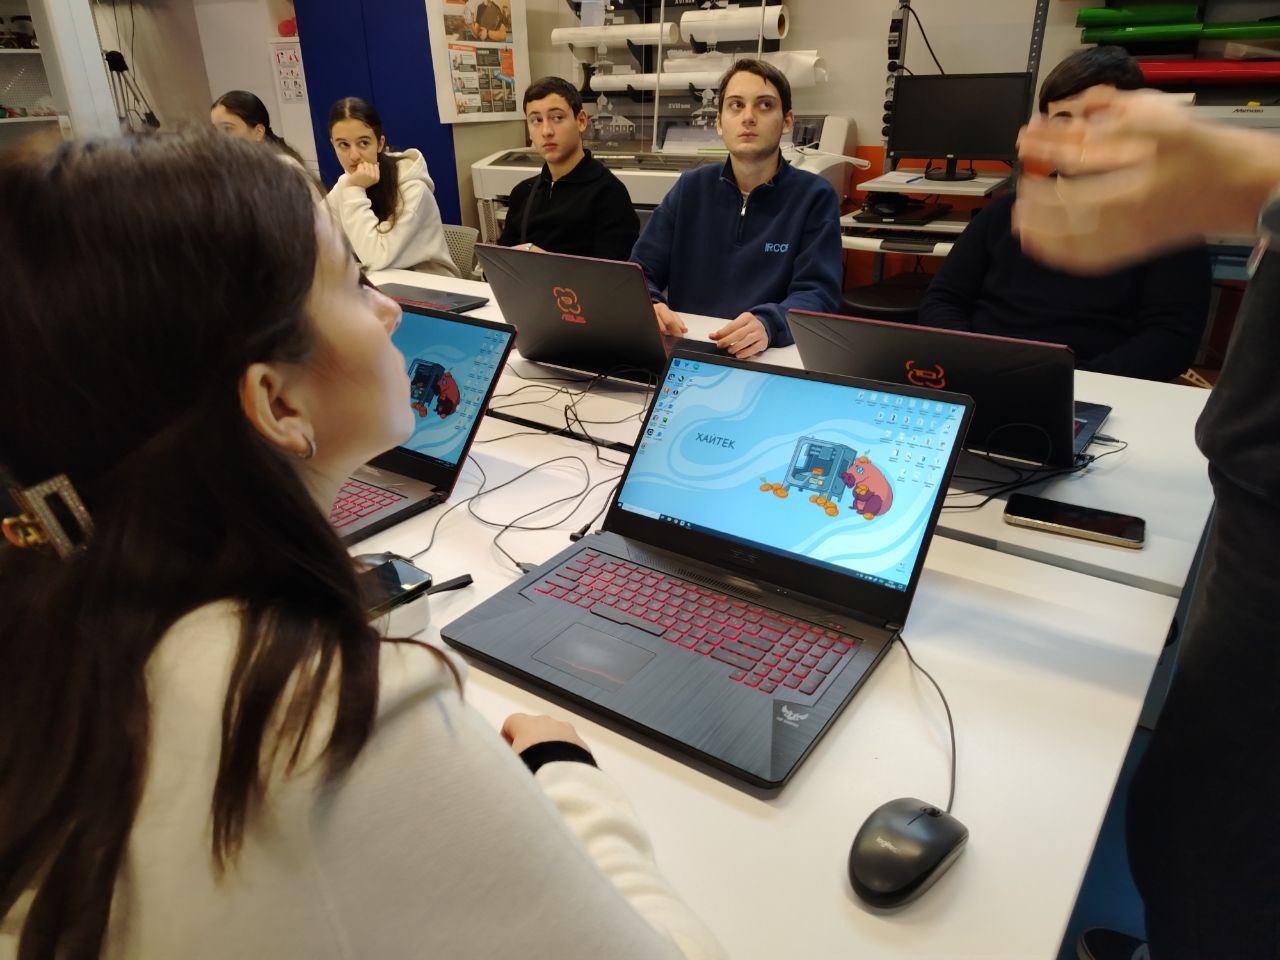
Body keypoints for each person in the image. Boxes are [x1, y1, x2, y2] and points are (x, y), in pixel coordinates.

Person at [0, 130, 722, 959]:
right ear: (278, 404)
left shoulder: (60, 621)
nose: (389, 310)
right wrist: (570, 775)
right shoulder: (327, 720)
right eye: (353, 281)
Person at [1016, 88, 1280, 960]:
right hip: (1251, 483)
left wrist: (1256, 173)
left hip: (1259, 492)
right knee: (1191, 810)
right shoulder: (1011, 211)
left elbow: (1168, 339)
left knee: (1214, 833)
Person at [918, 47, 1212, 382]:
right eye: (1063, 119)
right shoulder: (1002, 214)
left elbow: (1171, 341)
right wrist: (971, 359)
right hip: (983, 375)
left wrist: (1065, 383)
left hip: (1093, 388)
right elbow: (942, 301)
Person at [629, 59, 842, 359]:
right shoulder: (691, 188)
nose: (748, 117)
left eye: (765, 105)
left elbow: (819, 294)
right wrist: (651, 303)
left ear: (787, 121)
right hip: (686, 353)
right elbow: (640, 271)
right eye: (736, 105)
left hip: (766, 355)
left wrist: (770, 323)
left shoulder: (814, 197)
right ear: (719, 122)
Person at [497, 76, 639, 260]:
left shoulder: (609, 194)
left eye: (557, 118)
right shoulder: (523, 193)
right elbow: (499, 265)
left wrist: (546, 262)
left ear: (581, 121)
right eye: (536, 120)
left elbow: (611, 273)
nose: (546, 131)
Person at [326, 96, 458, 277]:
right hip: (379, 284)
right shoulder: (347, 184)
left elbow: (376, 258)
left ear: (380, 144)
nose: (354, 155)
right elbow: (312, 237)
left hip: (432, 286)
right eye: (343, 145)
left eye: (364, 143)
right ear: (333, 145)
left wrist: (355, 191)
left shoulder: (413, 189)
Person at [210, 89, 323, 200]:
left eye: (227, 129)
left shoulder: (284, 169)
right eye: (215, 130)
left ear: (259, 131)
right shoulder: (231, 171)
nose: (219, 137)